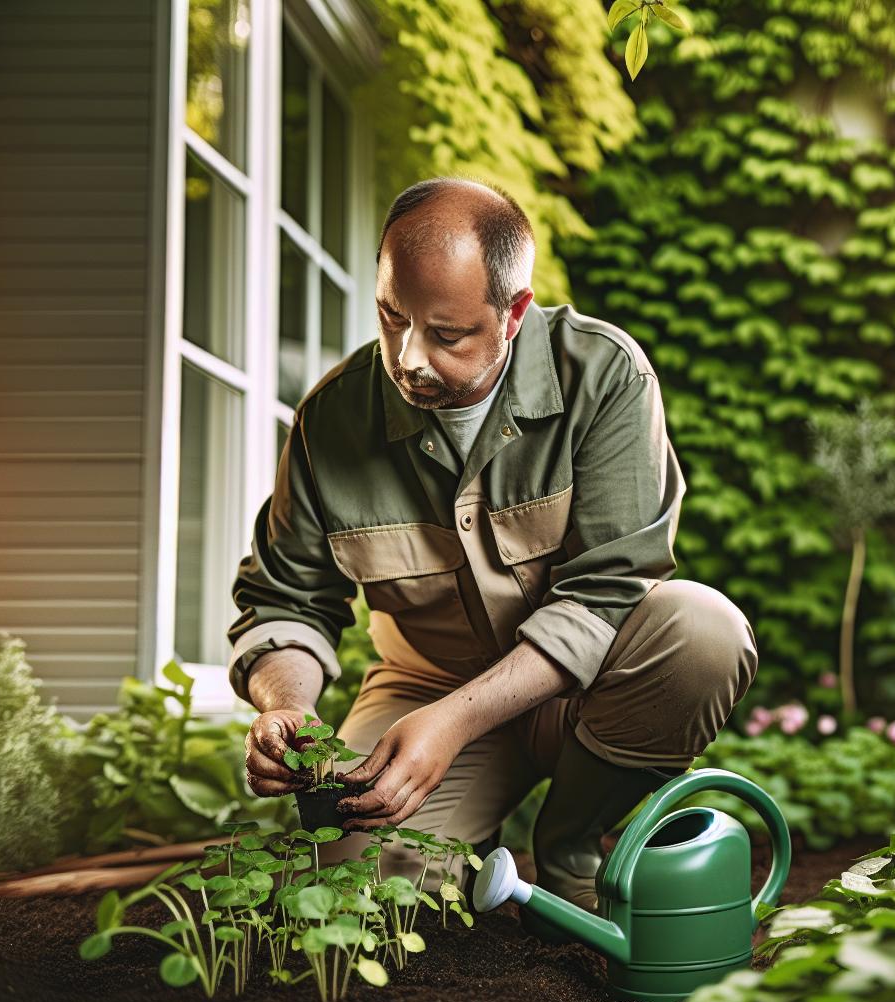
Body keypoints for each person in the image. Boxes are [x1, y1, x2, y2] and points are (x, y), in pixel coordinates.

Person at [225, 177, 757, 920]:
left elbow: (609, 589)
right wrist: (288, 707)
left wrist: (458, 721)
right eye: (390, 317)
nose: (408, 358)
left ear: (513, 314)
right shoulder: (331, 420)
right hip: (421, 692)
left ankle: (571, 843)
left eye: (446, 335)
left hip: (583, 691)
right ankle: (462, 850)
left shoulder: (603, 376)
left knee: (703, 631)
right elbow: (286, 599)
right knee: (341, 906)